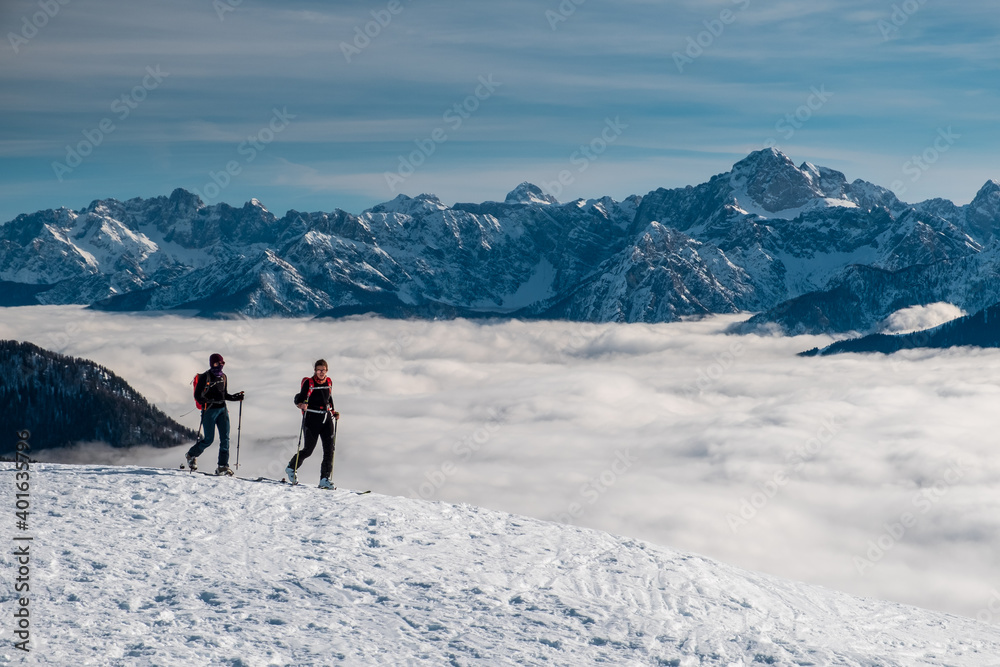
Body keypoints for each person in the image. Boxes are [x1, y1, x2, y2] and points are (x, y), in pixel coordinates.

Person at [185, 353, 244, 475]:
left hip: (222, 409)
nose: (220, 366)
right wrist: (205, 401)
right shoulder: (205, 377)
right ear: (212, 363)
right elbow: (197, 395)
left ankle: (222, 466)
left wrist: (236, 397)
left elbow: (224, 395)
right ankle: (191, 454)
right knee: (209, 439)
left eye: (222, 363)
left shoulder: (224, 377)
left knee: (225, 439)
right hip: (209, 410)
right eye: (217, 363)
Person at [286, 359, 340, 488]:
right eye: (319, 370)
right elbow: (299, 398)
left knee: (329, 449)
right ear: (315, 371)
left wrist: (333, 411)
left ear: (327, 370)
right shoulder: (309, 383)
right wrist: (301, 404)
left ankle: (324, 479)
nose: (321, 372)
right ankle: (291, 468)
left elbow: (328, 398)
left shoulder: (329, 382)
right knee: (309, 450)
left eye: (324, 370)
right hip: (311, 418)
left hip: (326, 418)